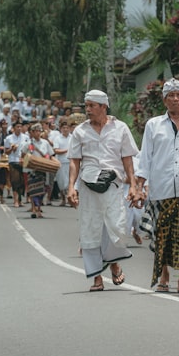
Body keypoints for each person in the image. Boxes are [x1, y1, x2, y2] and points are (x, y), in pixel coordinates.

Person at [134, 79, 179, 294]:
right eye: (170, 95)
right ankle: (163, 276)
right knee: (162, 235)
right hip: (161, 188)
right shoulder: (154, 125)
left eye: (178, 95)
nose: (175, 99)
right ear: (164, 100)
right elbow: (146, 157)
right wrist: (138, 186)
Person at [65, 90, 137, 292]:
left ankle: (114, 263)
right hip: (88, 186)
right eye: (86, 105)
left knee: (116, 227)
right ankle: (96, 277)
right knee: (90, 230)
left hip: (113, 185)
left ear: (103, 106)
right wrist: (72, 186)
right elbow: (74, 161)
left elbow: (128, 159)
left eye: (91, 106)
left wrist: (133, 185)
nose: (87, 110)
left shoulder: (120, 128)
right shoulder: (80, 131)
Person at [21, 122, 57, 218]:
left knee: (42, 190)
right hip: (31, 170)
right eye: (35, 131)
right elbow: (23, 156)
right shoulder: (28, 144)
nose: (37, 133)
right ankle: (34, 209)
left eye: (39, 131)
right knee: (33, 190)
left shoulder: (45, 143)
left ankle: (38, 208)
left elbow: (51, 154)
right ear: (31, 133)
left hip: (43, 170)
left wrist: (55, 164)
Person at [50, 120, 72, 206]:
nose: (65, 129)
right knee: (61, 182)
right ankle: (63, 199)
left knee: (70, 182)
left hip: (71, 162)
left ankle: (70, 199)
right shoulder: (57, 138)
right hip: (61, 162)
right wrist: (67, 150)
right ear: (60, 129)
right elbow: (56, 150)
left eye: (67, 128)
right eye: (63, 128)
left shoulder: (73, 137)